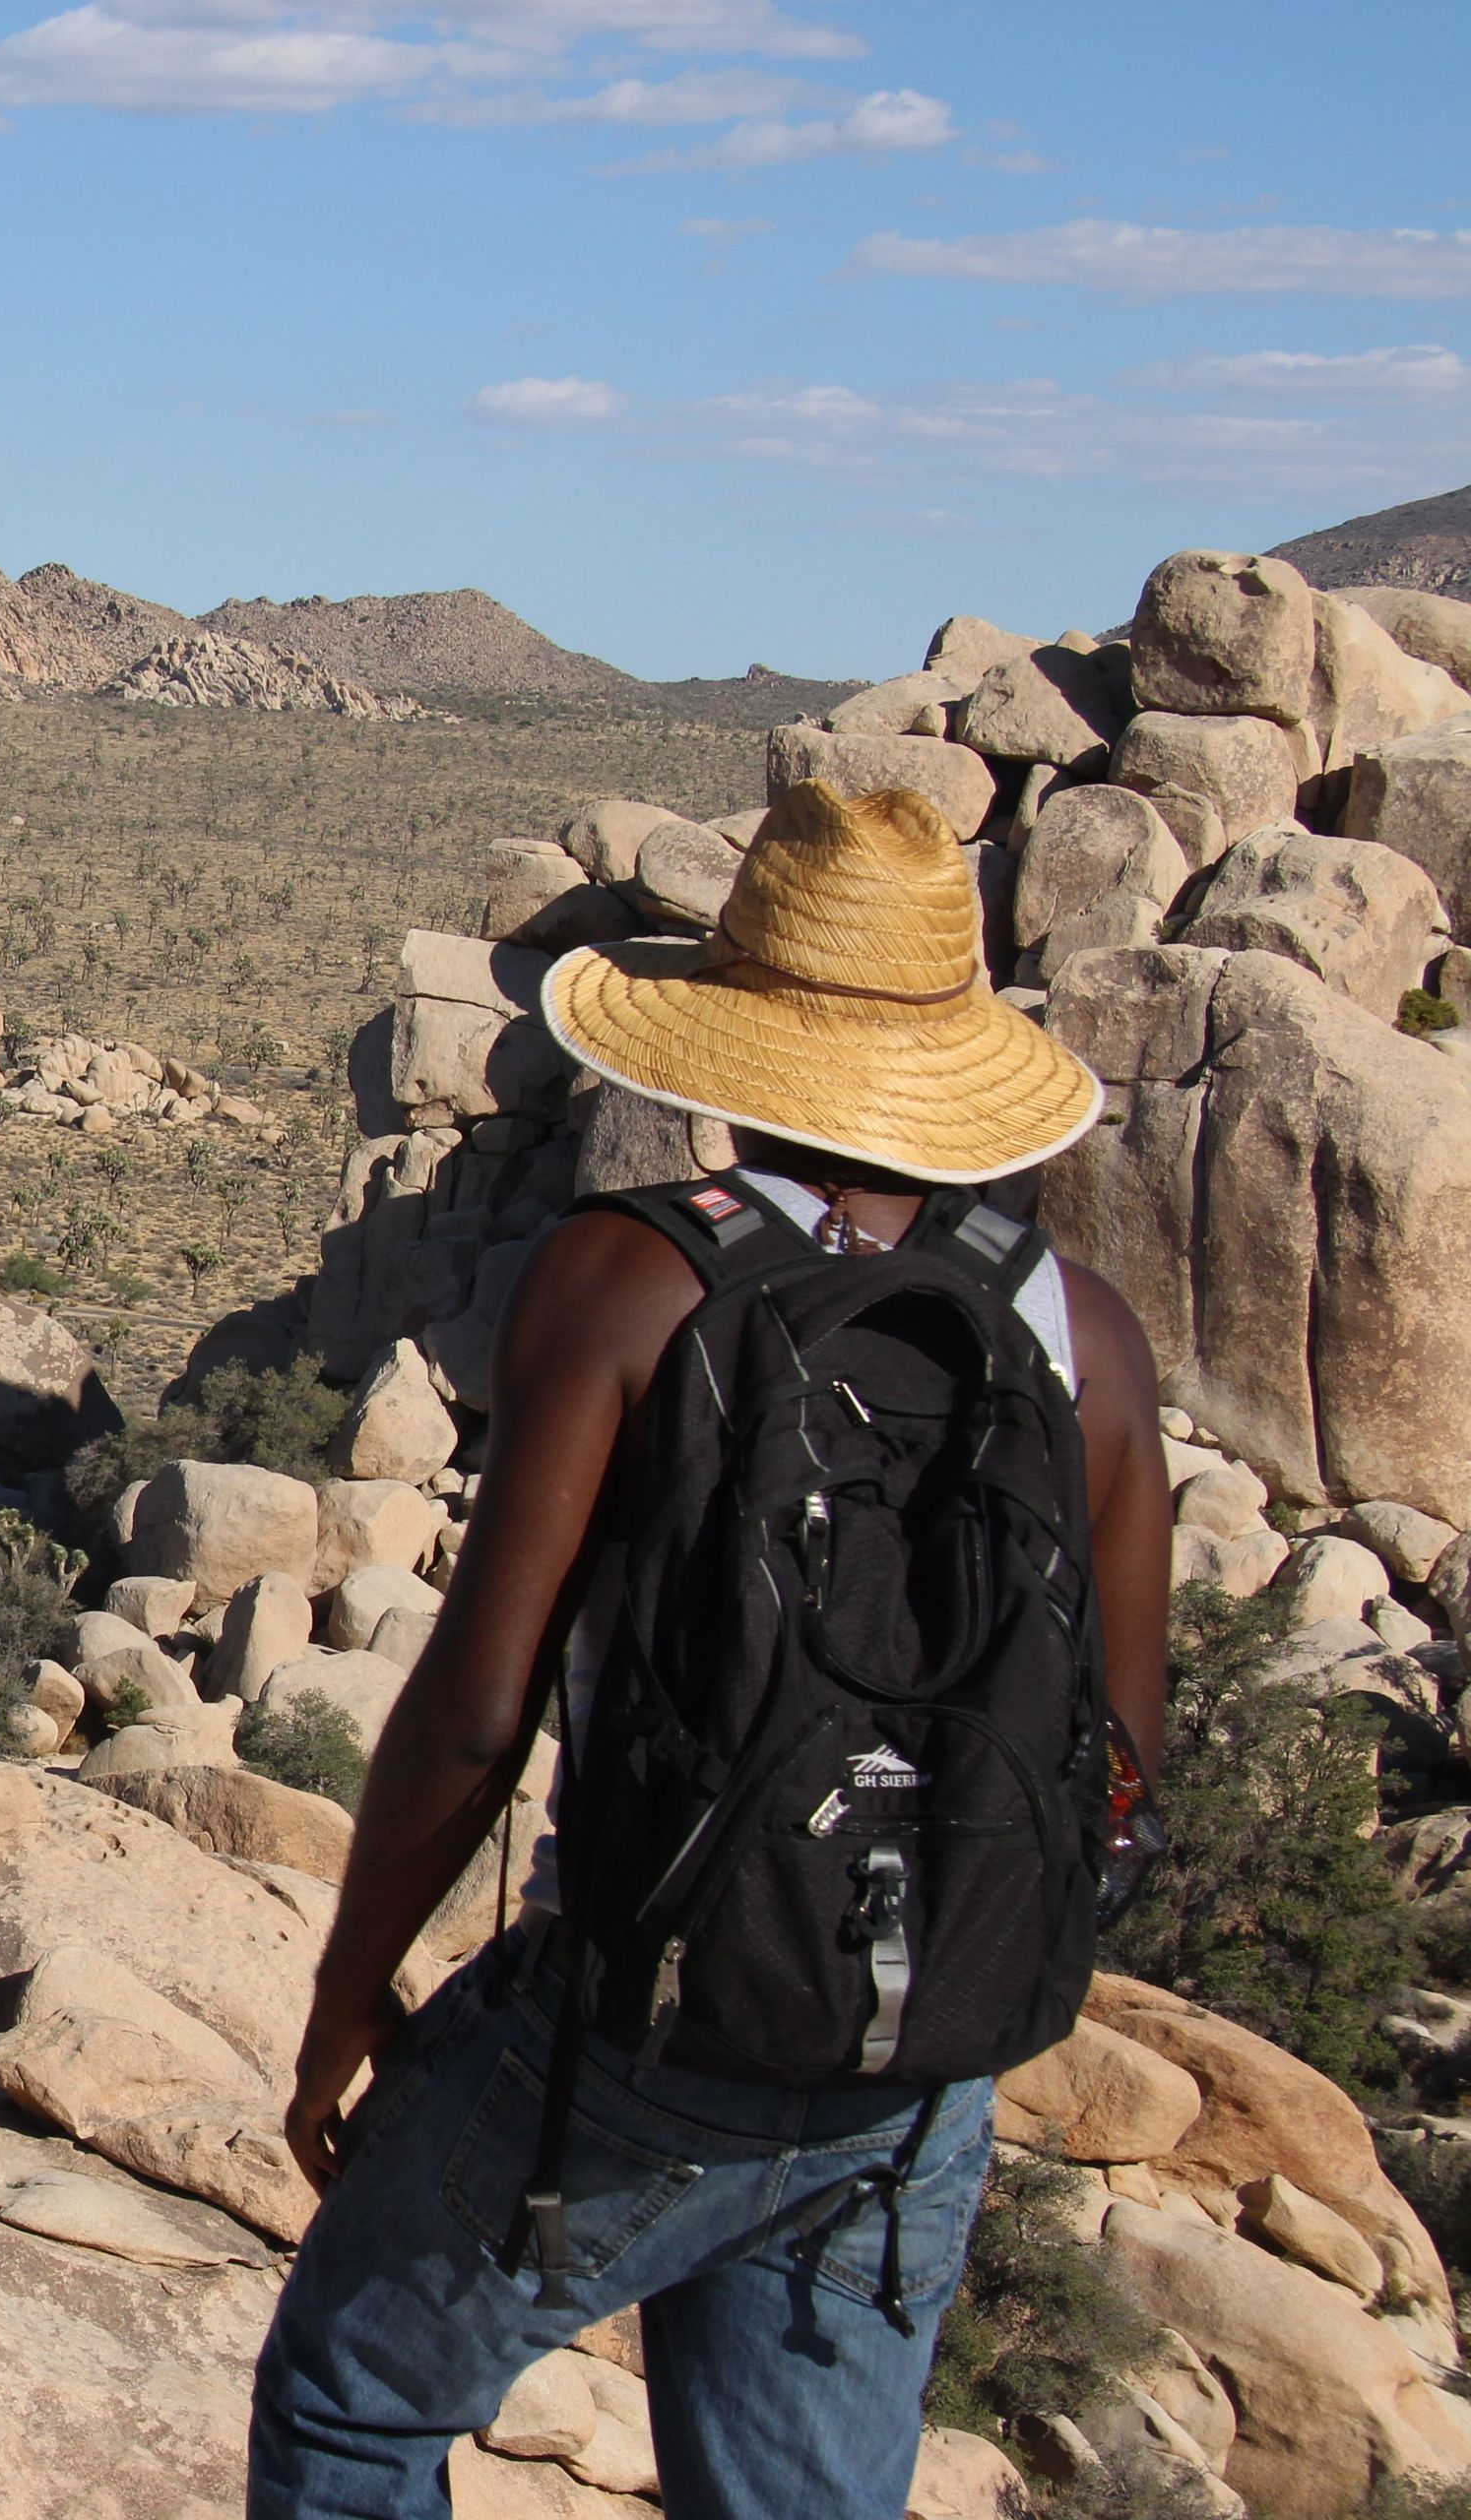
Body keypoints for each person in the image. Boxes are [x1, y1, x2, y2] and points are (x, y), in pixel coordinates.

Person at [242, 780, 1176, 2520]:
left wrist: (350, 1993)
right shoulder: (1087, 1338)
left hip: (641, 2031)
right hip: (921, 2069)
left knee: (351, 2411)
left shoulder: (629, 1276)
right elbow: (1121, 1750)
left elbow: (478, 1710)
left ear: (737, 1039)